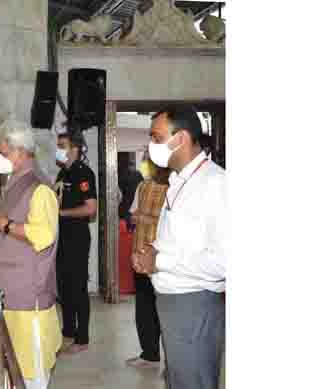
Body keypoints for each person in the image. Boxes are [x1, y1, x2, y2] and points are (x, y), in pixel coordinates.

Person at [132, 107, 229, 389]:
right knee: (179, 380)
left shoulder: (215, 184)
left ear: (182, 138)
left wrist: (160, 261)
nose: (152, 146)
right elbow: (177, 239)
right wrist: (150, 253)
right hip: (172, 302)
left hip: (194, 304)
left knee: (193, 381)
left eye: (157, 137)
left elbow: (223, 261)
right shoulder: (178, 181)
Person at [0, 120, 61, 389]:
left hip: (26, 296)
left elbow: (43, 236)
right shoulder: (16, 184)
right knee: (13, 363)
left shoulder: (40, 189)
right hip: (11, 292)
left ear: (21, 152)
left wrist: (5, 225)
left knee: (30, 371)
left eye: (4, 153)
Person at [125, 151, 170, 369]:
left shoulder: (175, 187)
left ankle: (173, 361)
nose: (148, 164)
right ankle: (149, 354)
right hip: (139, 255)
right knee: (143, 308)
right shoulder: (142, 186)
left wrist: (145, 217)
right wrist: (137, 216)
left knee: (166, 311)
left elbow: (173, 221)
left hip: (163, 260)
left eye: (149, 161)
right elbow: (132, 213)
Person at [53, 130, 97, 354]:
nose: (58, 150)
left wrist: (61, 214)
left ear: (75, 149)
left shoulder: (84, 174)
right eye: (58, 145)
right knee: (63, 287)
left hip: (77, 239)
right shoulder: (62, 174)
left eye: (62, 145)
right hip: (61, 239)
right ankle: (68, 332)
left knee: (78, 288)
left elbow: (91, 209)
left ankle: (82, 338)